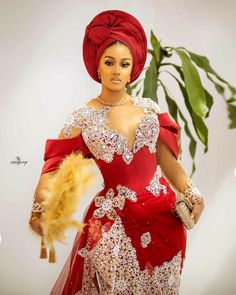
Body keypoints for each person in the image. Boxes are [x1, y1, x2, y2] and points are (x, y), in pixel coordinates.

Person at [28, 9, 205, 295]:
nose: (116, 70)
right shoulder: (82, 118)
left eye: (124, 64)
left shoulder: (150, 109)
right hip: (113, 225)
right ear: (97, 66)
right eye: (109, 62)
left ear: (132, 68)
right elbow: (53, 169)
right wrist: (39, 210)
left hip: (164, 218)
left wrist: (193, 194)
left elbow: (168, 162)